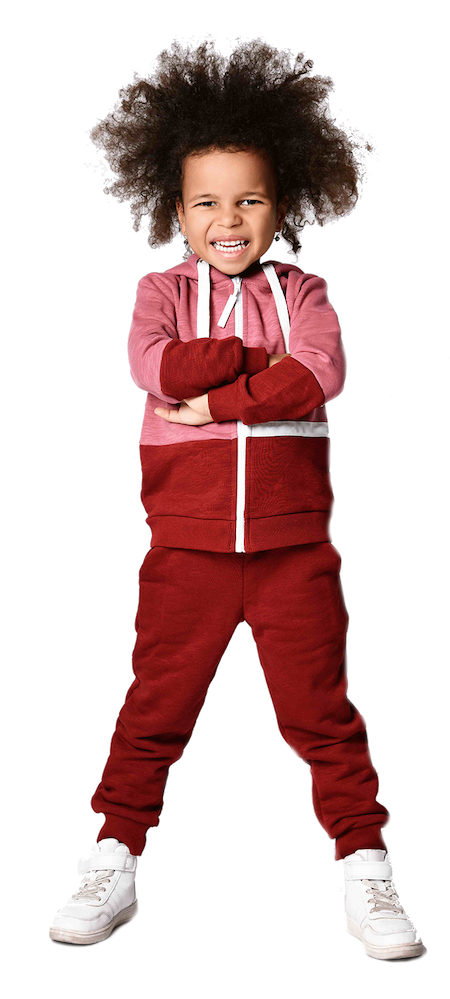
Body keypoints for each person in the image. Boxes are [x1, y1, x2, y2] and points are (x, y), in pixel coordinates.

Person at [48, 33, 425, 959]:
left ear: (282, 203)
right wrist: (248, 361)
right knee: (152, 710)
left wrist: (211, 399)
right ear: (174, 209)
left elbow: (320, 376)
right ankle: (113, 858)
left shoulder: (308, 292)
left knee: (324, 716)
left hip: (298, 551)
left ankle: (368, 871)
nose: (229, 219)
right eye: (207, 202)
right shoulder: (154, 292)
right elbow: (150, 363)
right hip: (186, 552)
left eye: (249, 199)